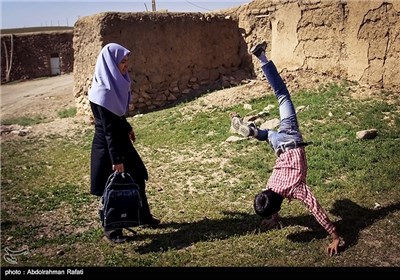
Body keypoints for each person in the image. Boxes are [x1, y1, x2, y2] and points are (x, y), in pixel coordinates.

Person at [231, 42, 341, 256]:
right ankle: (255, 132)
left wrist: (334, 235)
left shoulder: (295, 189)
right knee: (279, 95)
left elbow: (316, 210)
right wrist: (272, 212)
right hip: (277, 142)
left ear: (277, 208)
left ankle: (261, 56)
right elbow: (274, 199)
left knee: (283, 96)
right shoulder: (270, 184)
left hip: (290, 138)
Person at [88, 43, 160, 243]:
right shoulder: (101, 92)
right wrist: (117, 159)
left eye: (126, 61)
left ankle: (142, 216)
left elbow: (116, 117)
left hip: (119, 141)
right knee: (111, 188)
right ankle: (112, 230)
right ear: (110, 64)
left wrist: (127, 127)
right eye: (122, 62)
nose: (125, 66)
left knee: (137, 176)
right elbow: (108, 129)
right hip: (109, 147)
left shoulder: (112, 85)